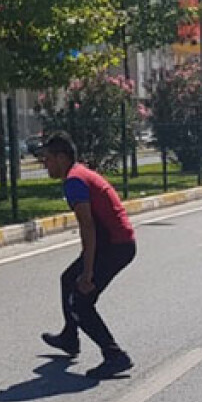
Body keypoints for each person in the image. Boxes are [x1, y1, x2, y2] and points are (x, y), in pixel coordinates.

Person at [39, 132, 136, 379]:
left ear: (61, 158)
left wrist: (88, 272)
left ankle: (114, 355)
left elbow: (88, 227)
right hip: (115, 243)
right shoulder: (79, 173)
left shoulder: (74, 181)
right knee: (67, 279)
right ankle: (70, 338)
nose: (45, 165)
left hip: (115, 246)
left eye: (47, 159)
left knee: (81, 302)